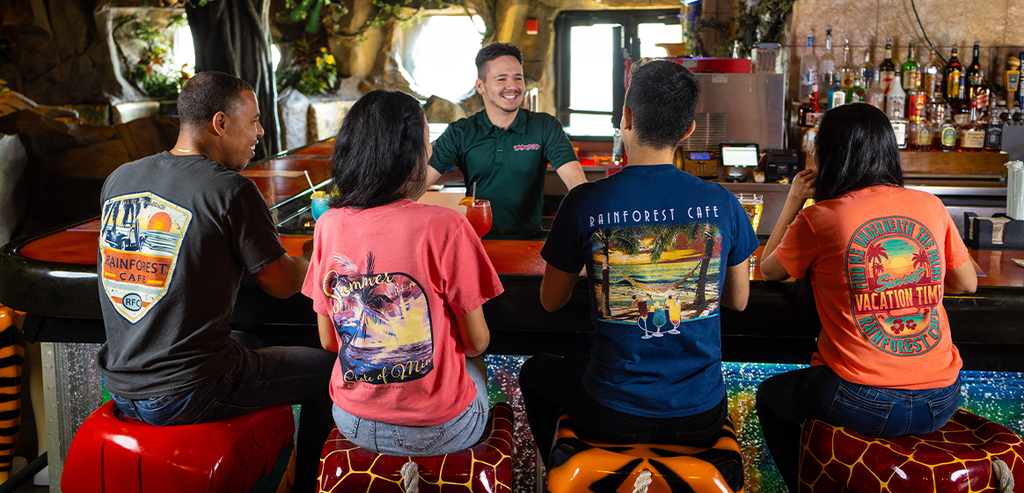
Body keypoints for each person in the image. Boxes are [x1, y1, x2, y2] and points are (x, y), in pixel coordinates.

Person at [96, 71, 335, 492]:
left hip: (120, 385)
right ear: (220, 123)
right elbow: (281, 284)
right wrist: (315, 255)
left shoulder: (120, 178)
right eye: (254, 121)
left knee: (251, 343)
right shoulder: (230, 190)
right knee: (330, 374)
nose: (260, 132)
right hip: (190, 390)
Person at [518, 60, 758, 461]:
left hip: (610, 413)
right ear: (688, 130)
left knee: (536, 371)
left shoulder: (585, 203)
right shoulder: (723, 203)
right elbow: (739, 299)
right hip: (701, 415)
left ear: (625, 118)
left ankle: (561, 464)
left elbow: (550, 301)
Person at [755, 103, 978, 492]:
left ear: (829, 155)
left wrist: (794, 199)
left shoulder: (821, 217)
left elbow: (768, 270)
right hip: (943, 398)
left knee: (770, 397)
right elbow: (966, 283)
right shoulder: (930, 205)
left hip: (858, 399)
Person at [302, 90, 504, 455]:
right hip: (440, 431)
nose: (429, 151)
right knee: (478, 363)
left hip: (351, 419)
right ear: (410, 152)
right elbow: (477, 342)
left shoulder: (328, 224)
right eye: (427, 140)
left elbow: (330, 341)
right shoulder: (447, 226)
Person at [426, 42, 587, 231]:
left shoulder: (545, 126)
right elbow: (419, 182)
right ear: (480, 86)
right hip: (477, 244)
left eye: (518, 78)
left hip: (528, 244)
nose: (512, 86)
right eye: (501, 79)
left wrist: (589, 219)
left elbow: (576, 182)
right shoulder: (459, 132)